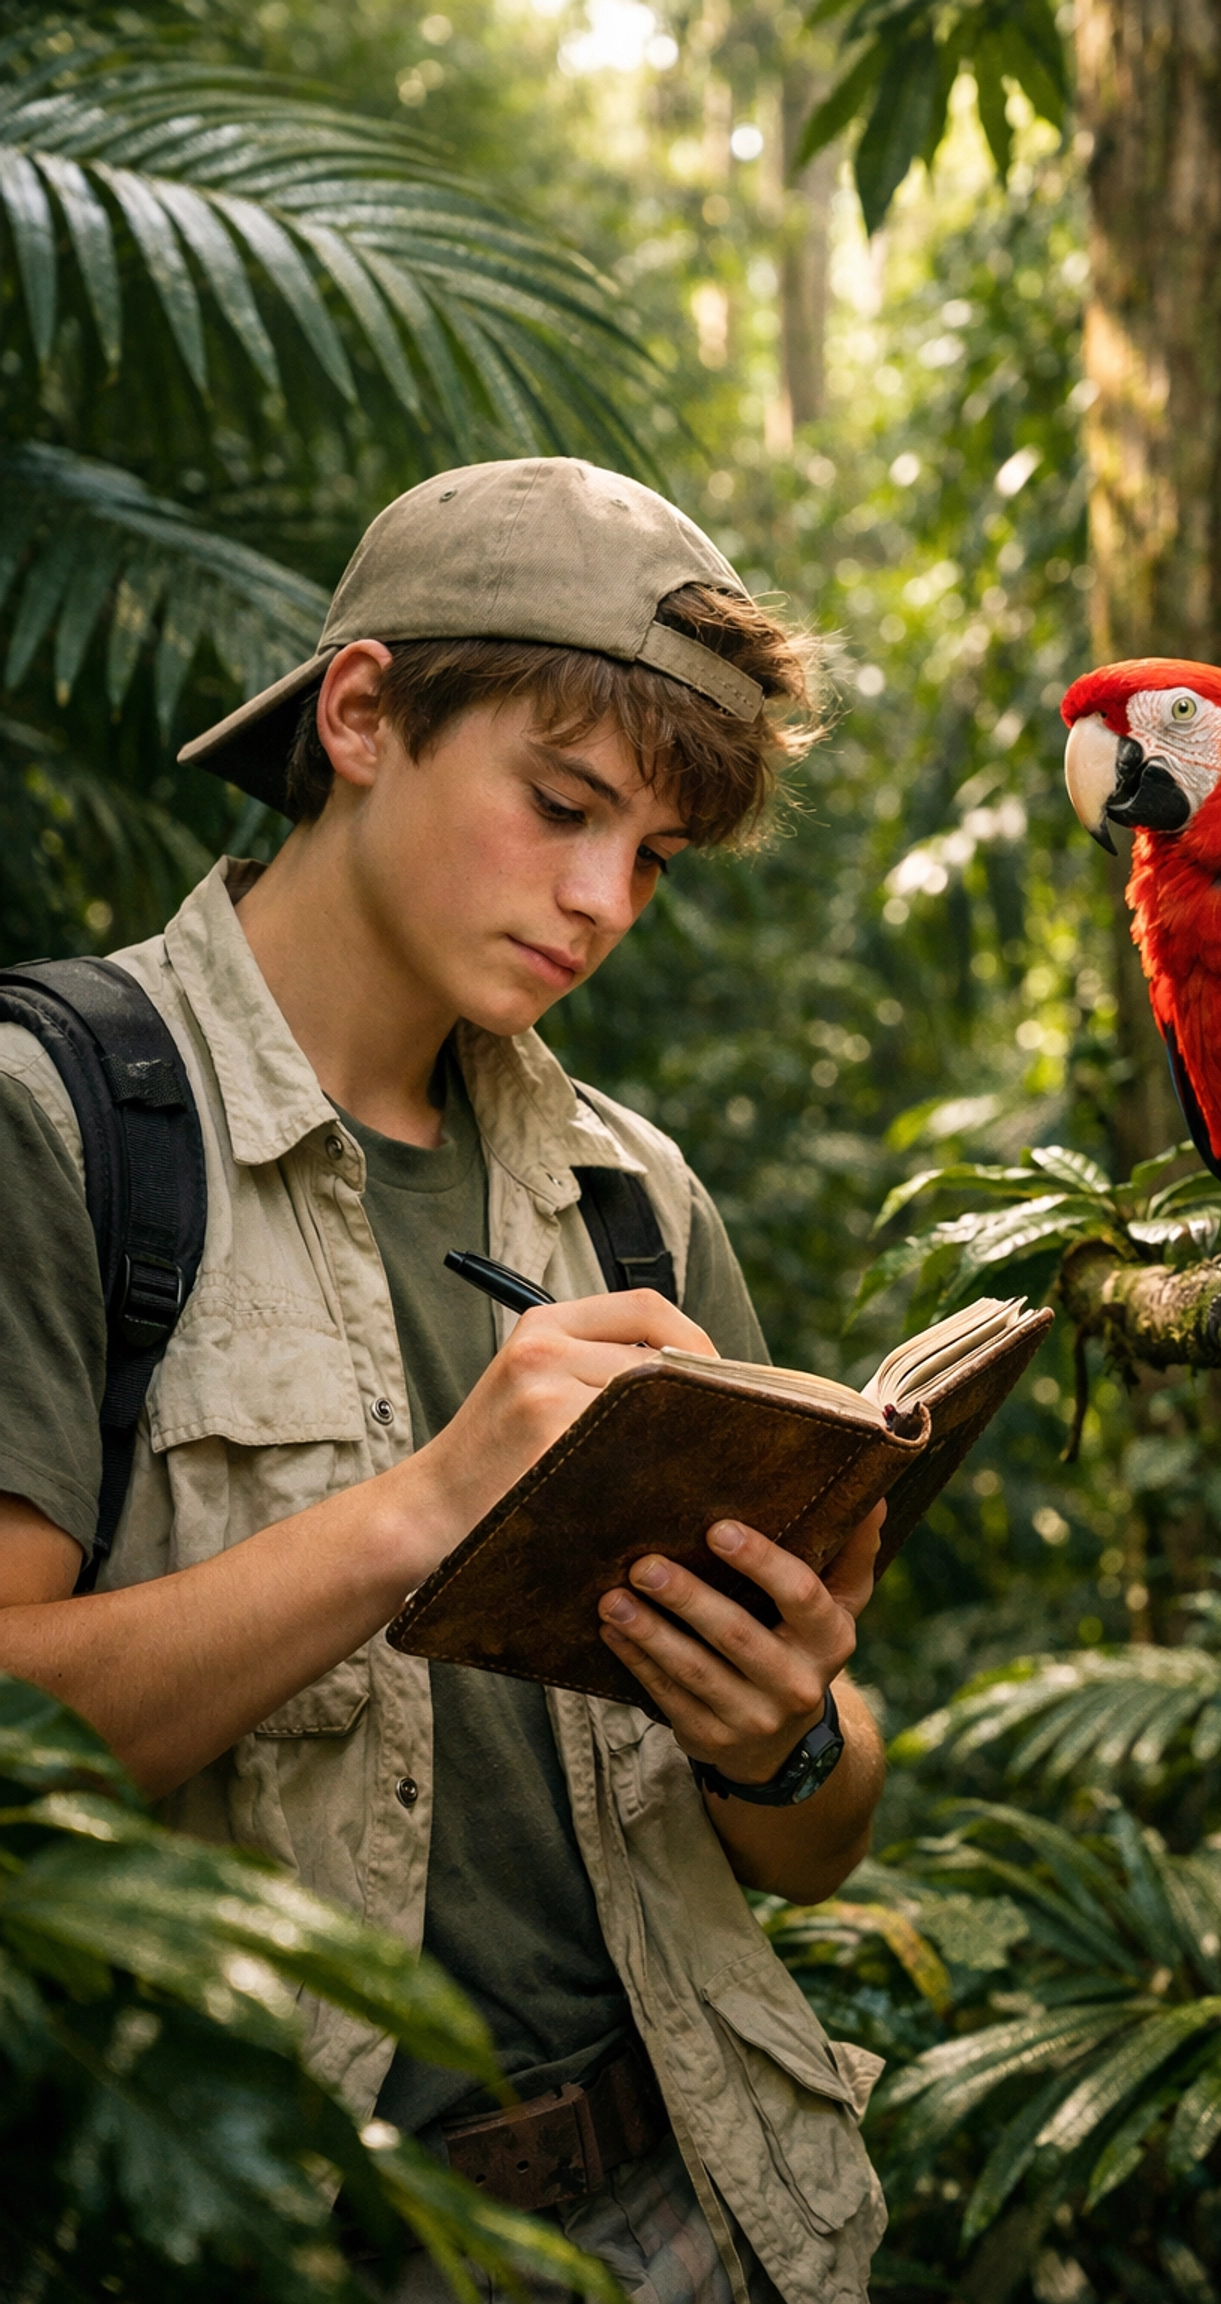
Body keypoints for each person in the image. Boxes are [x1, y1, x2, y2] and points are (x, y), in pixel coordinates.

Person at [0, 460, 889, 2304]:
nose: (601, 899)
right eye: (562, 806)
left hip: (689, 2208)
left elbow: (815, 1841)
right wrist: (417, 1513)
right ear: (361, 716)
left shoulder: (635, 1207)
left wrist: (781, 1726)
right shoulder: (57, 1128)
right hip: (263, 2236)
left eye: (648, 853)